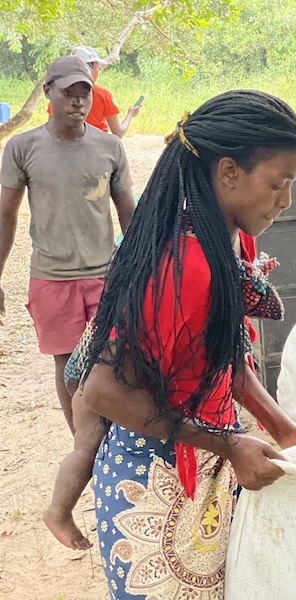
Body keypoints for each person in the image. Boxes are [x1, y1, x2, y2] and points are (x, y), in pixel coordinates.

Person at [61, 90, 296, 600]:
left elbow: (224, 357)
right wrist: (229, 444)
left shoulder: (227, 236)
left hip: (202, 459)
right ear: (229, 172)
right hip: (153, 477)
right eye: (279, 184)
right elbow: (101, 391)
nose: (287, 201)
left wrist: (283, 427)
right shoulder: (186, 264)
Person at [43, 237, 283, 551]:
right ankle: (58, 511)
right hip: (91, 377)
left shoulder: (168, 250)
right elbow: (105, 388)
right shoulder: (163, 272)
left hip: (106, 367)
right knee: (85, 448)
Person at [0, 55, 136, 433]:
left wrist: (143, 270)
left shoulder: (109, 147)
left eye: (84, 93)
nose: (78, 101)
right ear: (48, 92)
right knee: (68, 365)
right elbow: (5, 215)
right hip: (51, 277)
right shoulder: (22, 147)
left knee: (115, 362)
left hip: (105, 275)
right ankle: (83, 442)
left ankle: (114, 441)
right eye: (68, 92)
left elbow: (129, 213)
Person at [47, 45, 141, 138]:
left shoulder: (58, 94)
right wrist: (130, 114)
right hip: (98, 145)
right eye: (98, 67)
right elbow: (118, 133)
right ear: (88, 69)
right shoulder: (104, 95)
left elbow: (51, 129)